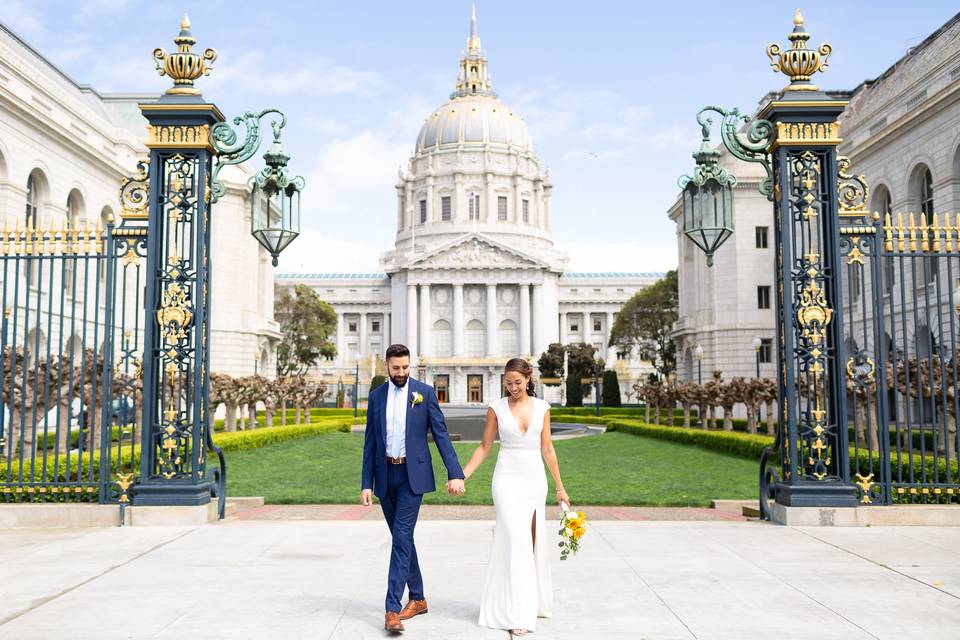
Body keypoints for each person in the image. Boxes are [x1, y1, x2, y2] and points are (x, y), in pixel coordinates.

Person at [360, 343, 465, 634]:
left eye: (406, 368)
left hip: (412, 476)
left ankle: (392, 609)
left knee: (401, 537)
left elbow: (441, 435)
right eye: (396, 369)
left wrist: (455, 473)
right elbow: (370, 442)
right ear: (387, 367)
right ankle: (417, 598)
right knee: (402, 539)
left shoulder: (424, 394)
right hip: (385, 475)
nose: (402, 373)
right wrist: (366, 483)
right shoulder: (377, 397)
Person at [462, 357, 570, 636]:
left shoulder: (543, 408)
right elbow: (485, 446)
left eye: (517, 382)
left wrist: (560, 487)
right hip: (506, 480)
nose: (512, 388)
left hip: (534, 481)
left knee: (530, 543)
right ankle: (517, 612)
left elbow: (548, 449)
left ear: (528, 379)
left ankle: (530, 603)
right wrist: (463, 474)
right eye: (508, 383)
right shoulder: (496, 408)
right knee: (514, 540)